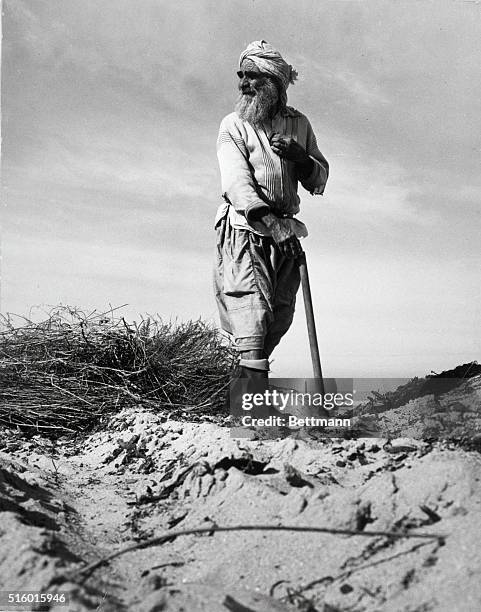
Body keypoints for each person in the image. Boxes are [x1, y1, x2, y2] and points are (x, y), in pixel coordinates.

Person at [214, 40, 329, 382]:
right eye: (241, 76)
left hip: (286, 233)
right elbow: (237, 183)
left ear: (274, 84)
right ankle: (252, 416)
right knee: (252, 316)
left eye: (252, 77)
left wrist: (300, 158)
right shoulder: (233, 125)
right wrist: (272, 226)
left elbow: (320, 177)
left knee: (277, 319)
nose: (243, 84)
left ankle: (240, 398)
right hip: (247, 228)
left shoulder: (300, 124)